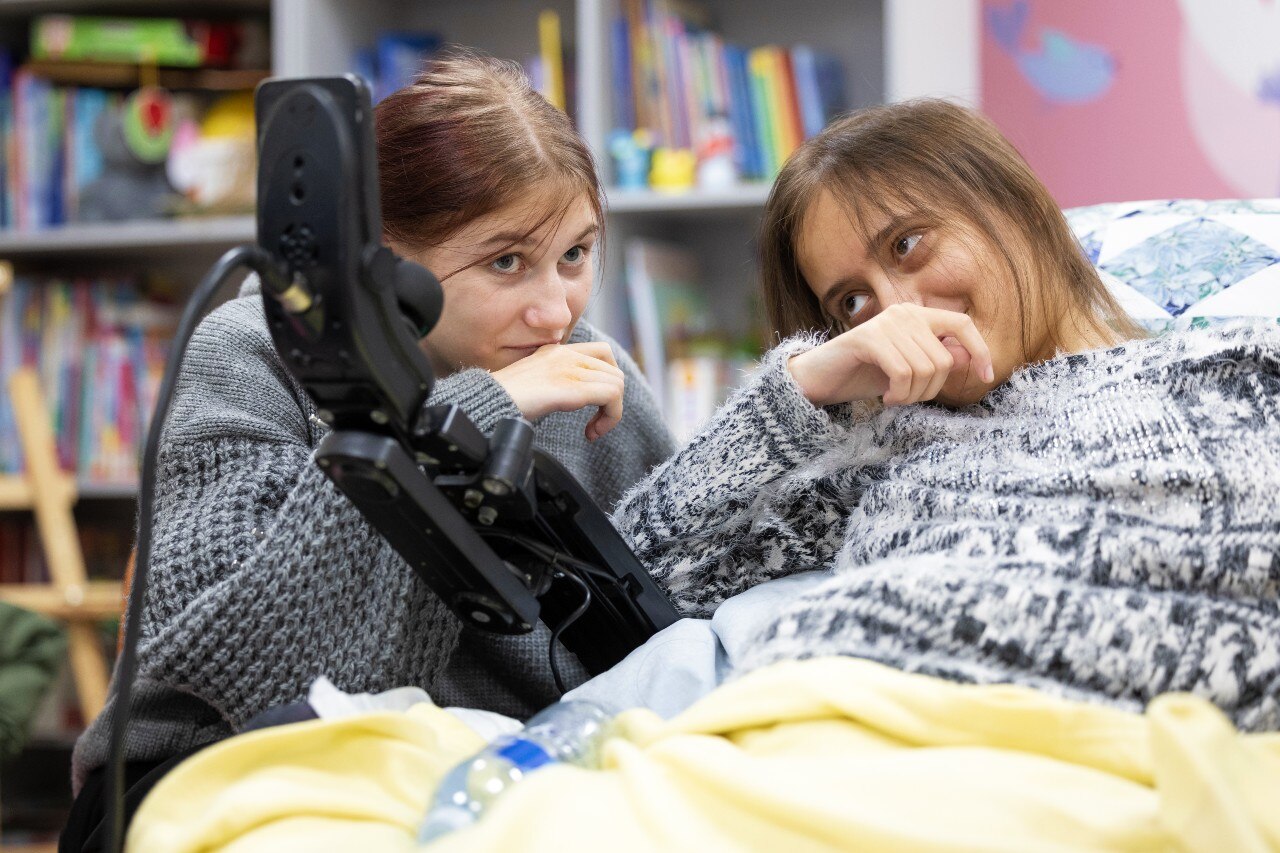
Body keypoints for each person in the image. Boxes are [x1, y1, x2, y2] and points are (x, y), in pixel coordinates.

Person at [61, 52, 675, 848]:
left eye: (576, 255)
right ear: (385, 264)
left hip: (483, 783)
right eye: (506, 262)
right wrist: (481, 410)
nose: (555, 308)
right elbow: (249, 666)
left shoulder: (587, 371)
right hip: (213, 773)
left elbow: (682, 590)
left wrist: (797, 403)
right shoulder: (250, 353)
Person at [613, 98, 1280, 731]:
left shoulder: (1238, 367)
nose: (896, 309)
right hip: (812, 732)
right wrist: (802, 385)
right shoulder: (886, 453)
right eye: (851, 302)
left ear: (1018, 209)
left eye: (908, 244)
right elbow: (621, 585)